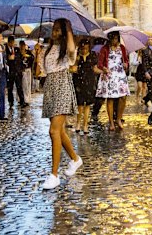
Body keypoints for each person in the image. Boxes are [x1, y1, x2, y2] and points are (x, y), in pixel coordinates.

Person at [40, 19, 82, 190]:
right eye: (54, 30)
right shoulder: (48, 48)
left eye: (58, 30)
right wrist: (38, 55)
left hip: (62, 87)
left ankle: (54, 175)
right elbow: (43, 71)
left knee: (54, 131)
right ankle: (75, 159)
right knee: (59, 131)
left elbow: (72, 52)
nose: (55, 33)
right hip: (50, 88)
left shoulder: (68, 49)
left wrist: (69, 30)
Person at [95, 31, 130, 131]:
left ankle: (119, 118)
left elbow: (126, 60)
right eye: (113, 38)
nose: (115, 40)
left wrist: (126, 64)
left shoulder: (122, 48)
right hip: (109, 74)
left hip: (120, 75)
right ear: (110, 39)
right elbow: (100, 64)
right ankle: (111, 122)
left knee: (123, 97)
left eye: (116, 38)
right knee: (110, 98)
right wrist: (104, 68)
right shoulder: (105, 48)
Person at [71, 39, 99, 135]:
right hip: (79, 81)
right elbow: (73, 67)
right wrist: (75, 64)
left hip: (89, 81)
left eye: (86, 49)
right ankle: (78, 123)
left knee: (87, 104)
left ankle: (85, 124)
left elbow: (95, 68)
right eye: (83, 48)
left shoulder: (93, 55)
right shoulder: (77, 55)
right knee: (80, 104)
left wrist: (103, 71)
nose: (84, 51)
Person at [5, 35, 27, 108]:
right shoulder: (5, 50)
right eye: (11, 42)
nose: (12, 44)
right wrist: (8, 58)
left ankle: (22, 101)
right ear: (8, 42)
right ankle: (11, 102)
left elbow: (20, 59)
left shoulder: (17, 49)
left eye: (13, 42)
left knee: (19, 87)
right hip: (10, 72)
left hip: (18, 71)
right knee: (10, 88)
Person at [19, 40, 34, 107]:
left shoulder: (29, 52)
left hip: (28, 69)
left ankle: (27, 99)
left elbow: (32, 58)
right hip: (21, 70)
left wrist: (28, 56)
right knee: (22, 85)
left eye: (23, 45)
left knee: (27, 84)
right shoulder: (18, 52)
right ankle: (22, 98)